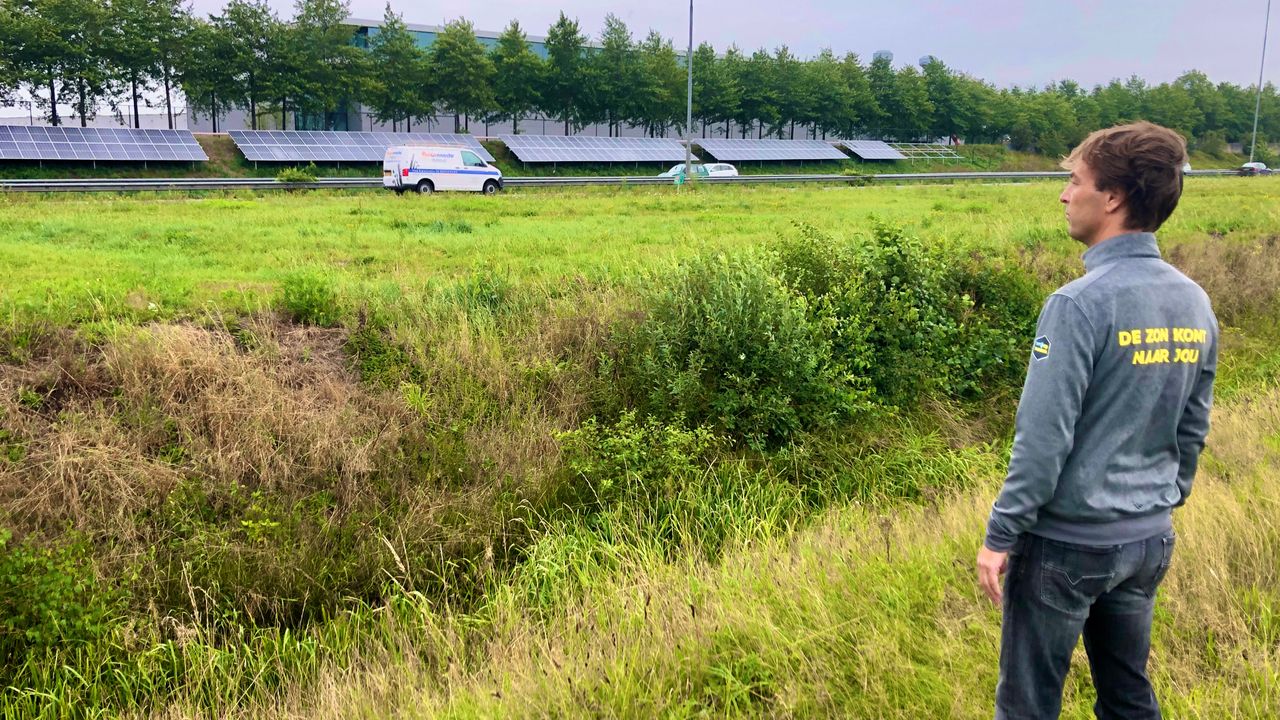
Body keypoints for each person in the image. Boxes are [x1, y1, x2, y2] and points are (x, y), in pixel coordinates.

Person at [976, 121, 1218, 720]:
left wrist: (1000, 535)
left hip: (1067, 546)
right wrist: (1160, 498)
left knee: (1029, 704)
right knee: (1128, 694)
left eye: (1074, 181)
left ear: (1112, 197)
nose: (1063, 194)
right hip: (1147, 540)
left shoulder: (1078, 303)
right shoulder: (1194, 301)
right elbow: (1193, 425)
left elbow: (1042, 441)